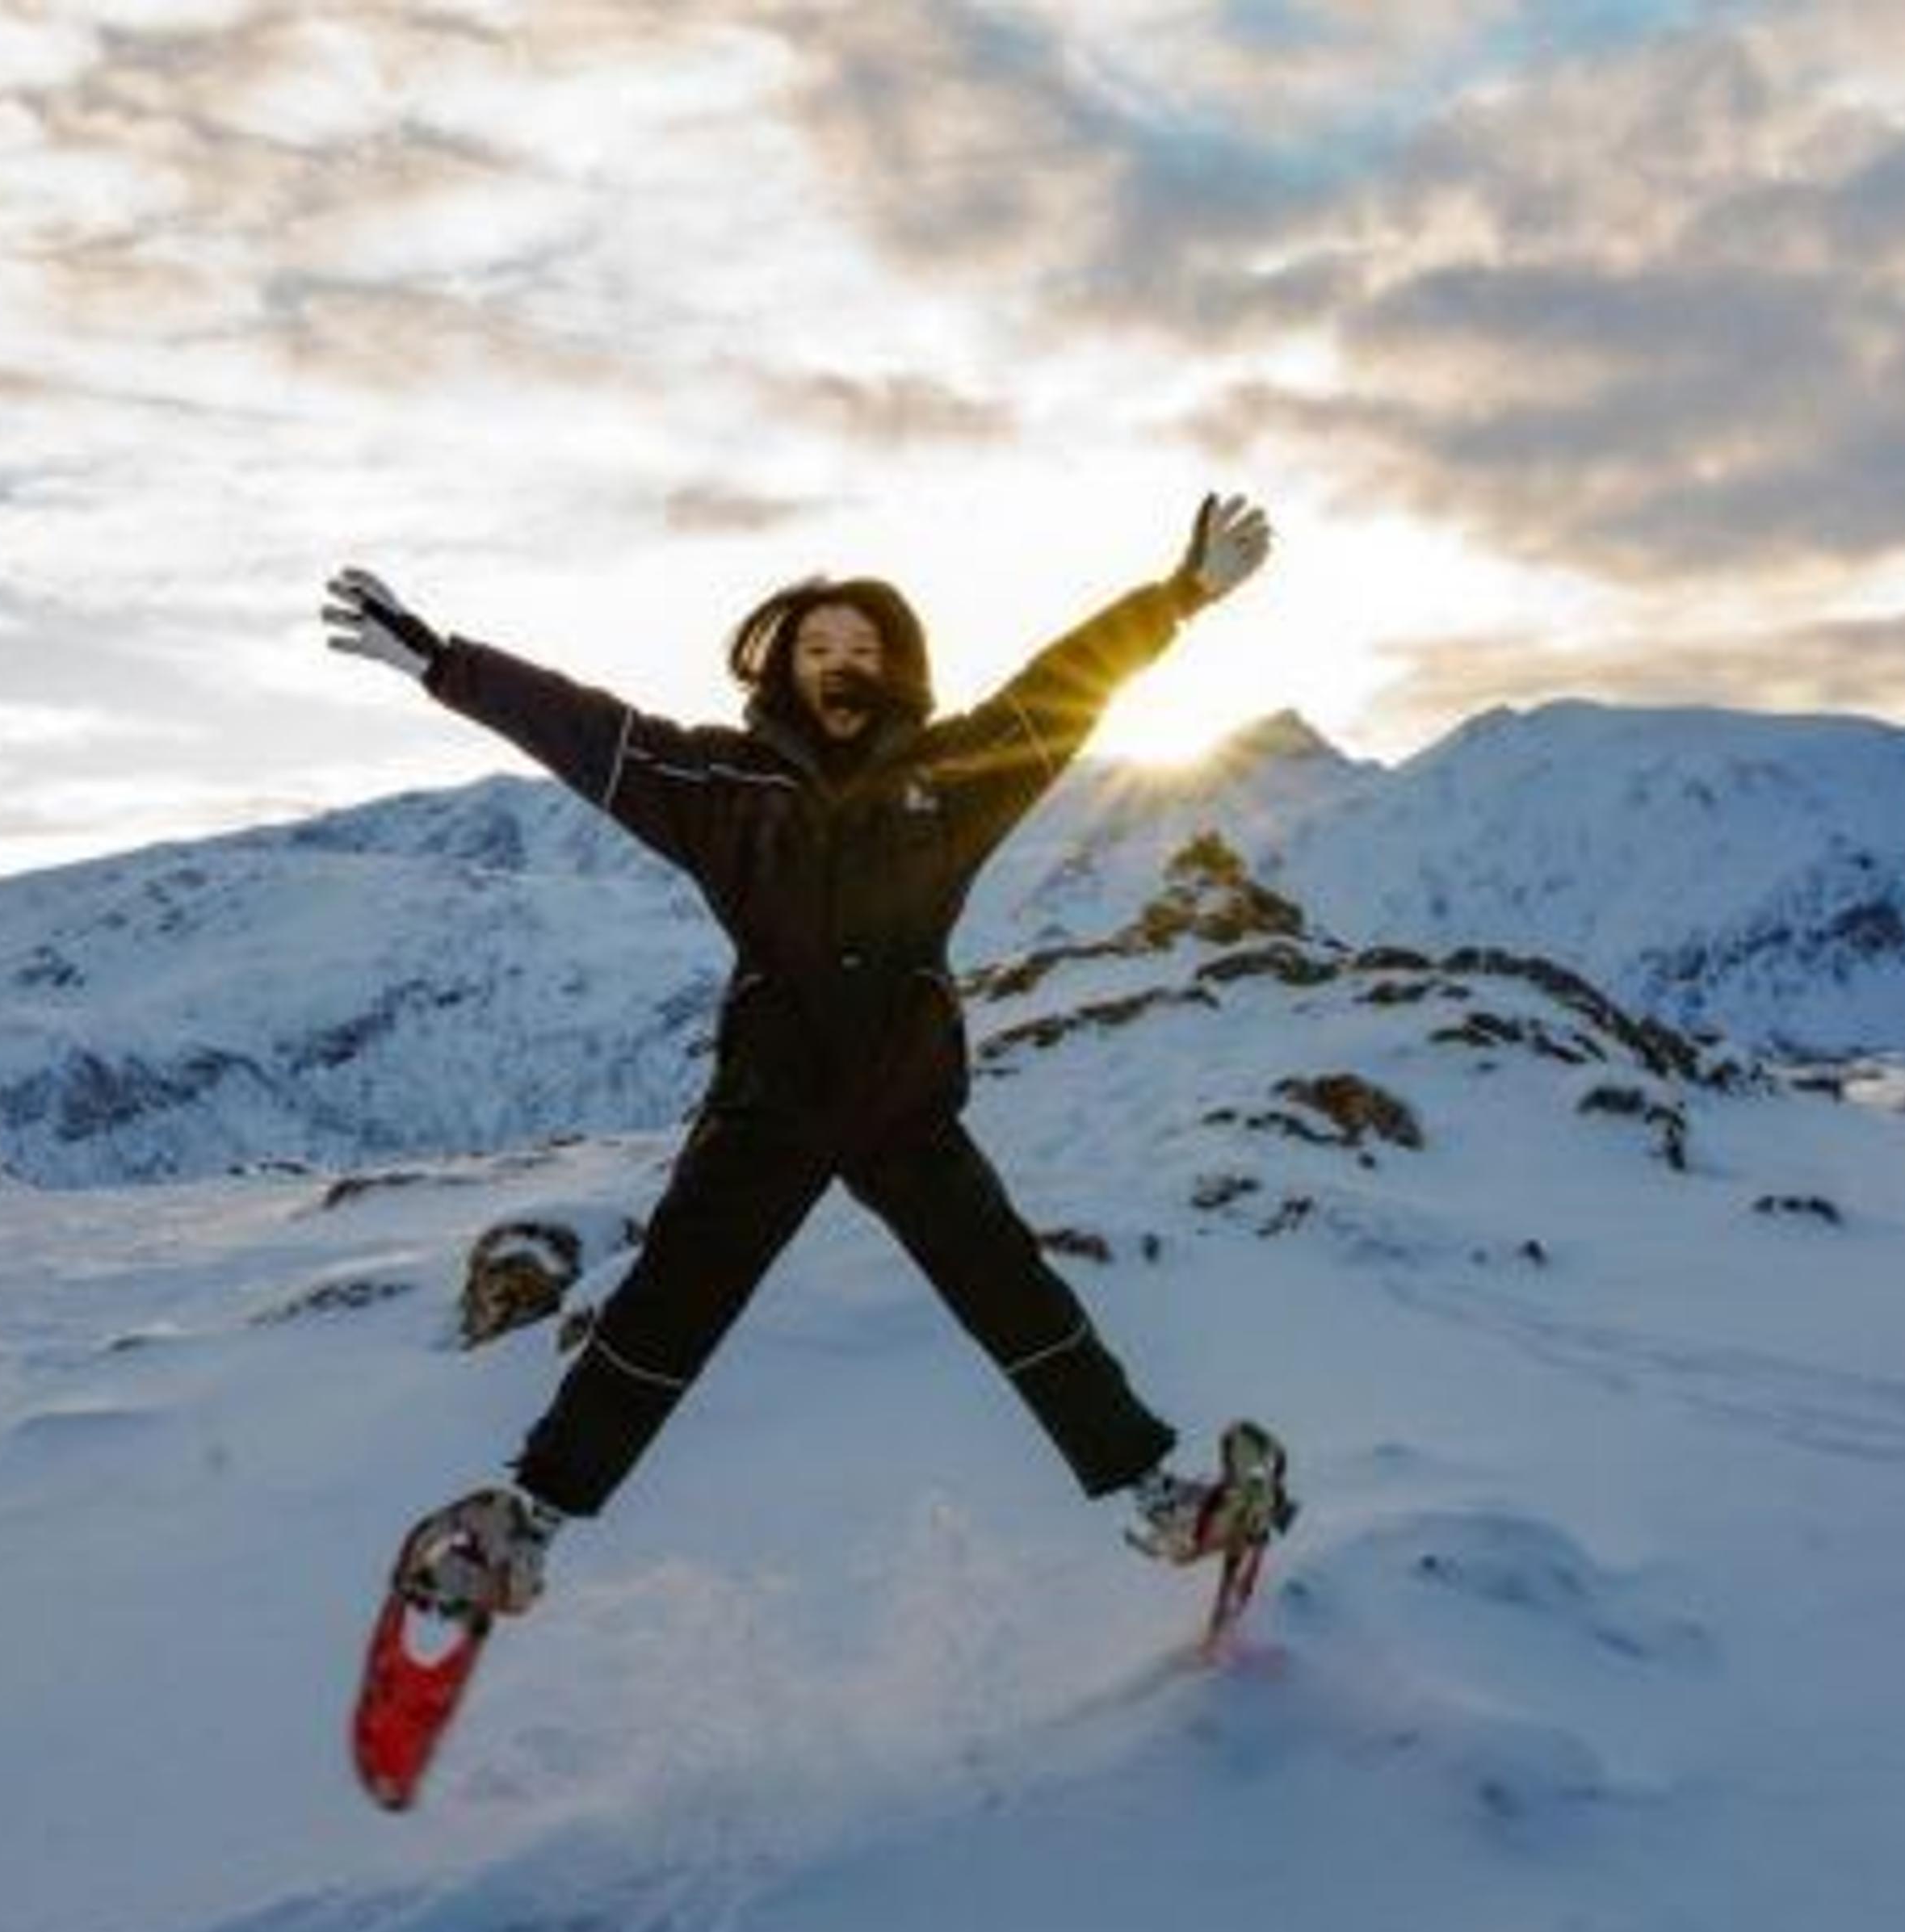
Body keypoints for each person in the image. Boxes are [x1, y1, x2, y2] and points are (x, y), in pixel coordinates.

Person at [321, 494, 1277, 1620]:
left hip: (901, 1103)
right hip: (769, 1101)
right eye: (818, 648)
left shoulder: (959, 771)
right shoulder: (716, 785)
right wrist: (440, 662)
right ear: (782, 668)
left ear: (899, 668)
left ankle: (1164, 1500)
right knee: (666, 1311)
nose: (840, 666)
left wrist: (1180, 596)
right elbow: (582, 729)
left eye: (863, 649)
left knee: (1017, 1296)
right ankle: (526, 1526)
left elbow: (1065, 685)